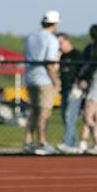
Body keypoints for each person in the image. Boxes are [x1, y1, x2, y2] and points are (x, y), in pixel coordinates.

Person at [23, 10, 60, 155]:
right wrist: (56, 81)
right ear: (55, 24)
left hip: (30, 76)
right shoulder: (51, 39)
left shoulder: (30, 36)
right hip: (44, 79)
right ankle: (42, 142)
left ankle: (28, 141)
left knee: (34, 111)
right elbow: (50, 63)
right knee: (44, 111)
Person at [56, 32, 84, 153]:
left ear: (67, 41)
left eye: (60, 42)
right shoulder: (60, 56)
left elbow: (82, 72)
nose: (59, 45)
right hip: (65, 89)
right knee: (64, 115)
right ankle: (72, 143)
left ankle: (68, 142)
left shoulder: (77, 55)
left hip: (75, 90)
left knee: (69, 116)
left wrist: (78, 86)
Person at [77, 24, 97, 154]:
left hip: (96, 86)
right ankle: (94, 143)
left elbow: (88, 68)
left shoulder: (94, 50)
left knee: (87, 116)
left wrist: (82, 78)